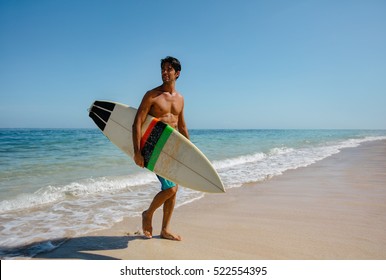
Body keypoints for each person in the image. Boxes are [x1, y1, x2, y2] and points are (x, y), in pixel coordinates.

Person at [132, 56, 189, 241]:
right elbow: (137, 123)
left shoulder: (180, 99)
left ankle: (165, 230)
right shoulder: (151, 95)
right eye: (163, 69)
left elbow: (181, 127)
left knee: (173, 189)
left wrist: (189, 152)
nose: (165, 72)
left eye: (169, 69)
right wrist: (137, 151)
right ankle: (148, 214)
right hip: (153, 145)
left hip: (171, 147)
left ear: (177, 73)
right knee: (171, 189)